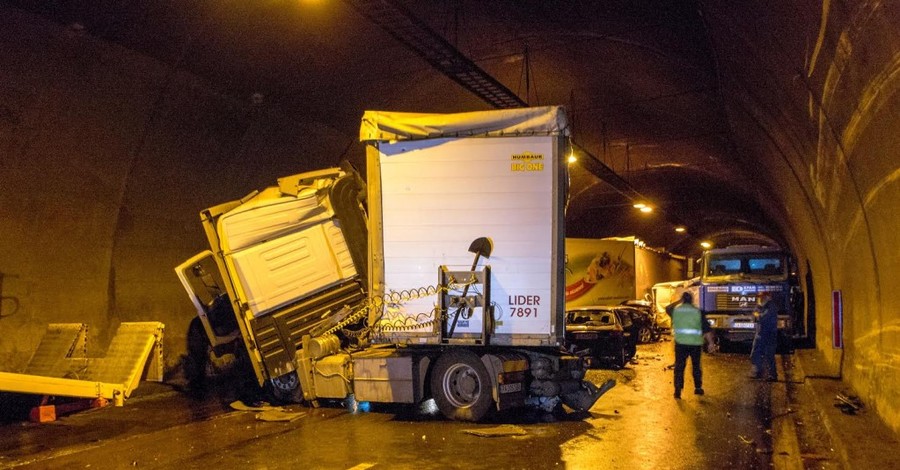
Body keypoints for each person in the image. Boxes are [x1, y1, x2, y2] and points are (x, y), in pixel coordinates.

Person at [671, 291, 713, 399]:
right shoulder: (698, 311)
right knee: (696, 366)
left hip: (680, 344)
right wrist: (711, 343)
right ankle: (698, 387)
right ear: (692, 300)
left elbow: (667, 308)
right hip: (695, 344)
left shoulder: (676, 310)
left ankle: (677, 391)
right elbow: (706, 329)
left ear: (683, 300)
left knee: (679, 367)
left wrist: (679, 302)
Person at [749, 291, 778, 381]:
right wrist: (756, 314)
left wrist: (757, 315)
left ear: (768, 297)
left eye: (762, 297)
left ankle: (772, 375)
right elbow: (753, 318)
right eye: (759, 297)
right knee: (755, 352)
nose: (760, 299)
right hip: (760, 334)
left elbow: (762, 317)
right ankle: (757, 371)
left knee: (769, 355)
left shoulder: (771, 307)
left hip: (769, 334)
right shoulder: (760, 306)